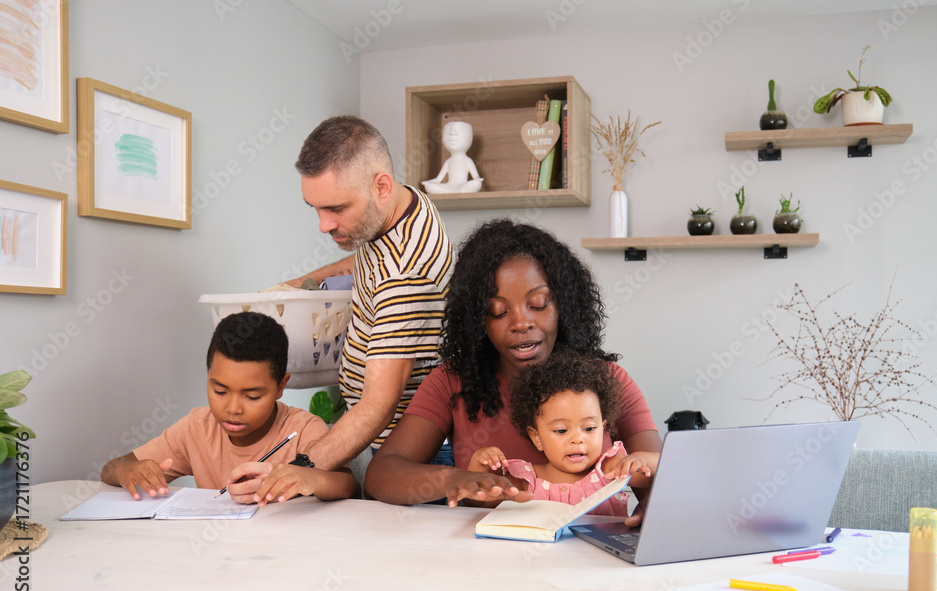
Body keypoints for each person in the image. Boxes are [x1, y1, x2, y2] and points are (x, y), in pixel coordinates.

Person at [364, 218, 661, 522]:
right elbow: (380, 475)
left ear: (564, 305)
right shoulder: (452, 382)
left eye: (538, 304)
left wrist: (653, 507)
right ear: (477, 319)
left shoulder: (607, 380)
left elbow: (664, 474)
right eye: (498, 312)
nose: (521, 323)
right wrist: (452, 479)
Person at [286, 115, 454, 484]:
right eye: (315, 207)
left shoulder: (406, 277)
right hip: (378, 430)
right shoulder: (402, 205)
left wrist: (299, 472)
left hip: (405, 446)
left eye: (336, 209)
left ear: (381, 186)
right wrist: (306, 281)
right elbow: (373, 254)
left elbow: (379, 405)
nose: (323, 225)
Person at [100, 312, 358, 505]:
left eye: (252, 396)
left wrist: (313, 479)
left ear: (281, 386)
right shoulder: (196, 428)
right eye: (220, 392)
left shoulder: (302, 429)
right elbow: (110, 469)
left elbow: (349, 487)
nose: (233, 409)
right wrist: (127, 471)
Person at [469, 353, 659, 516]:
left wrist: (641, 459)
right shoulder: (526, 480)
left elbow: (667, 470)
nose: (577, 439)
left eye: (589, 428)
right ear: (536, 438)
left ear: (603, 428)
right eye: (561, 430)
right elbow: (476, 504)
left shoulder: (609, 470)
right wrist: (479, 465)